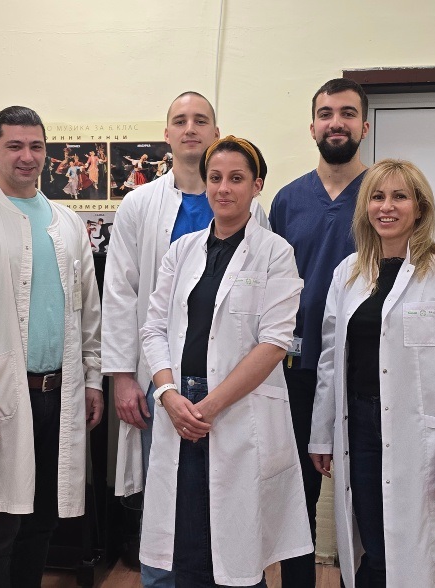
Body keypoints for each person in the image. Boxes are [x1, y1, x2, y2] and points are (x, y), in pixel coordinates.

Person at [102, 91, 268, 587]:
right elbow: (121, 292)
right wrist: (122, 377)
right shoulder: (140, 204)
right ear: (167, 134)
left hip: (230, 385)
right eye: (180, 120)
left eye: (201, 120)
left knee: (227, 497)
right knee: (164, 496)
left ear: (216, 132)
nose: (190, 128)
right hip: (162, 382)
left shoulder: (254, 210)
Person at [0, 105, 104, 587]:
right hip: (2, 396)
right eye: (14, 146)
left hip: (60, 393)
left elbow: (87, 310)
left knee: (43, 520)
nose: (26, 156)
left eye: (35, 146)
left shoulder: (67, 222)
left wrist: (92, 379)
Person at [140, 136, 311, 587]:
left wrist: (209, 407)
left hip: (234, 410)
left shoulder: (276, 253)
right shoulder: (182, 251)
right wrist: (168, 393)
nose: (223, 188)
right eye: (215, 178)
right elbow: (154, 328)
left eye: (236, 178)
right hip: (181, 407)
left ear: (257, 185)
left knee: (238, 556)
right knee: (188, 547)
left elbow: (274, 343)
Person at [310, 159, 435, 587]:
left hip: (420, 433)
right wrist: (321, 434)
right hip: (360, 426)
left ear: (419, 207)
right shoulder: (348, 272)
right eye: (377, 197)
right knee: (376, 545)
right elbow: (331, 360)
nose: (386, 207)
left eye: (399, 197)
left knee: (423, 555)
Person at [268, 77, 370, 587]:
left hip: (365, 371)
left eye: (348, 113)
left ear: (364, 126)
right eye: (326, 114)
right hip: (296, 370)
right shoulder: (288, 201)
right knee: (297, 497)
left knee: (367, 494)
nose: (337, 123)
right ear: (312, 127)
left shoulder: (382, 196)